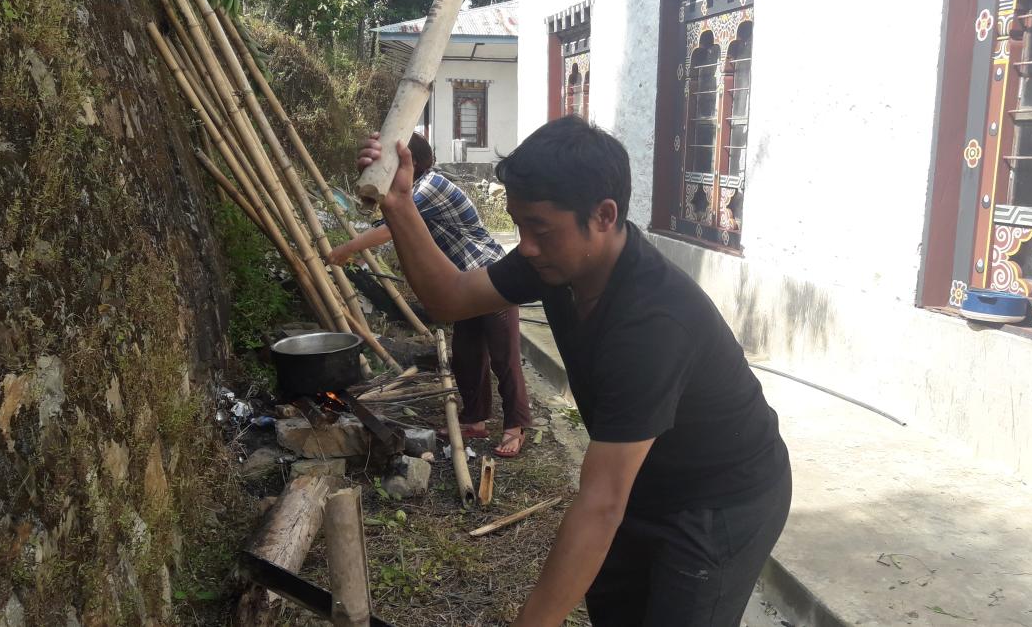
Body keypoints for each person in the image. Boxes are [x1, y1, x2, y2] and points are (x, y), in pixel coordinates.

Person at [356, 116, 791, 626]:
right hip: (648, 479)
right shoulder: (554, 261)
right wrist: (400, 205)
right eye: (519, 226)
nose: (526, 244)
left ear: (604, 216)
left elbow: (602, 502)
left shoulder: (653, 322)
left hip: (723, 498)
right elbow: (449, 298)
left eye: (539, 229)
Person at [329, 133, 532, 457]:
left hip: (491, 277)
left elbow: (391, 227)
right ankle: (475, 420)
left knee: (503, 355)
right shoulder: (416, 187)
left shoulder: (431, 186)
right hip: (465, 283)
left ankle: (515, 426)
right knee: (466, 354)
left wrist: (345, 249)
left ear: (413, 162)